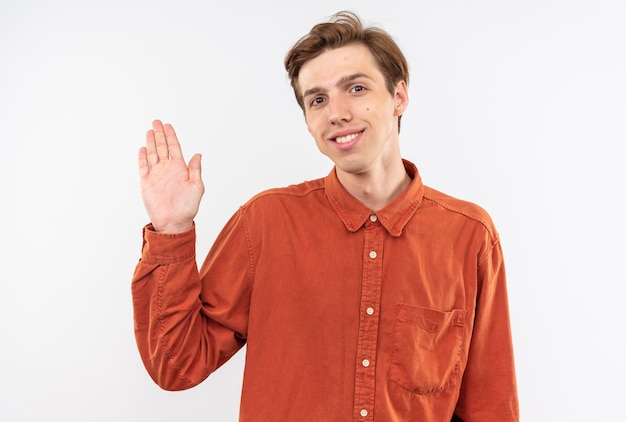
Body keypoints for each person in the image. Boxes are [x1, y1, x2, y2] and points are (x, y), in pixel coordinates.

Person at [132, 11, 519, 421]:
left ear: (399, 96)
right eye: (318, 99)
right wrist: (171, 230)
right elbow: (177, 366)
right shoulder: (266, 222)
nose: (336, 112)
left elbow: (490, 407)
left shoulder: (469, 235)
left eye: (355, 88)